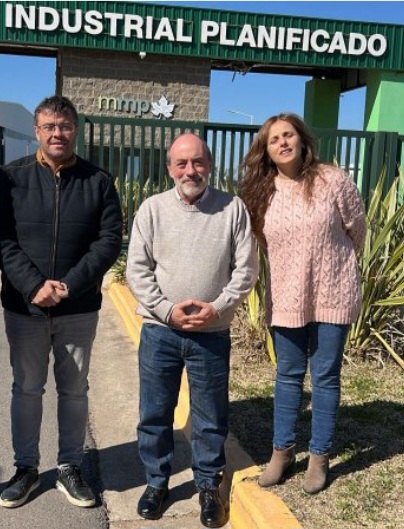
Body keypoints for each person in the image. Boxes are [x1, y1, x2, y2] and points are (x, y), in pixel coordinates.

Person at [0, 95, 122, 509]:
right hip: (25, 307)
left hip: (77, 308)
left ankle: (69, 466)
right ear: (37, 131)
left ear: (75, 129)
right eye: (48, 126)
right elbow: (0, 237)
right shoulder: (12, 177)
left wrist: (69, 284)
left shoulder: (99, 181)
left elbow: (108, 240)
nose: (56, 133)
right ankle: (26, 468)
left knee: (74, 390)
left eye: (63, 126)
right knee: (27, 388)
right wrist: (32, 285)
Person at [126, 133, 258, 527]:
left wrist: (215, 308)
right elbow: (137, 269)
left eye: (198, 162)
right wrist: (168, 311)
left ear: (210, 165)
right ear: (169, 168)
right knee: (154, 412)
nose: (190, 170)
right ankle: (156, 482)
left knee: (209, 417)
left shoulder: (233, 209)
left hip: (211, 333)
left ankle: (207, 487)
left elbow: (246, 270)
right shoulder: (151, 210)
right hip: (160, 331)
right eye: (181, 163)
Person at [240, 113, 366, 494]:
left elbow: (356, 230)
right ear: (266, 149)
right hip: (286, 299)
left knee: (325, 376)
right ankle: (282, 452)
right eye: (274, 138)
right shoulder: (261, 193)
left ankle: (319, 456)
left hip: (332, 293)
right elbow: (260, 244)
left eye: (288, 135)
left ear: (301, 138)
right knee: (288, 376)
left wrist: (332, 267)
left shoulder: (333, 180)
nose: (283, 142)